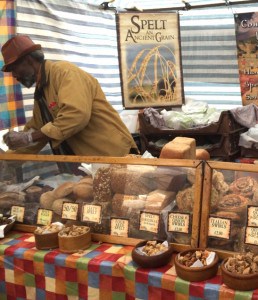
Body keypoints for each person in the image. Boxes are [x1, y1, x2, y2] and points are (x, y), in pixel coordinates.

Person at [1, 35, 139, 156]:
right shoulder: (41, 90)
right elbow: (37, 130)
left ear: (29, 60)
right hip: (91, 162)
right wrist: (7, 159)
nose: (14, 75)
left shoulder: (65, 73)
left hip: (114, 155)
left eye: (14, 68)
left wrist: (30, 137)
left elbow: (76, 116)